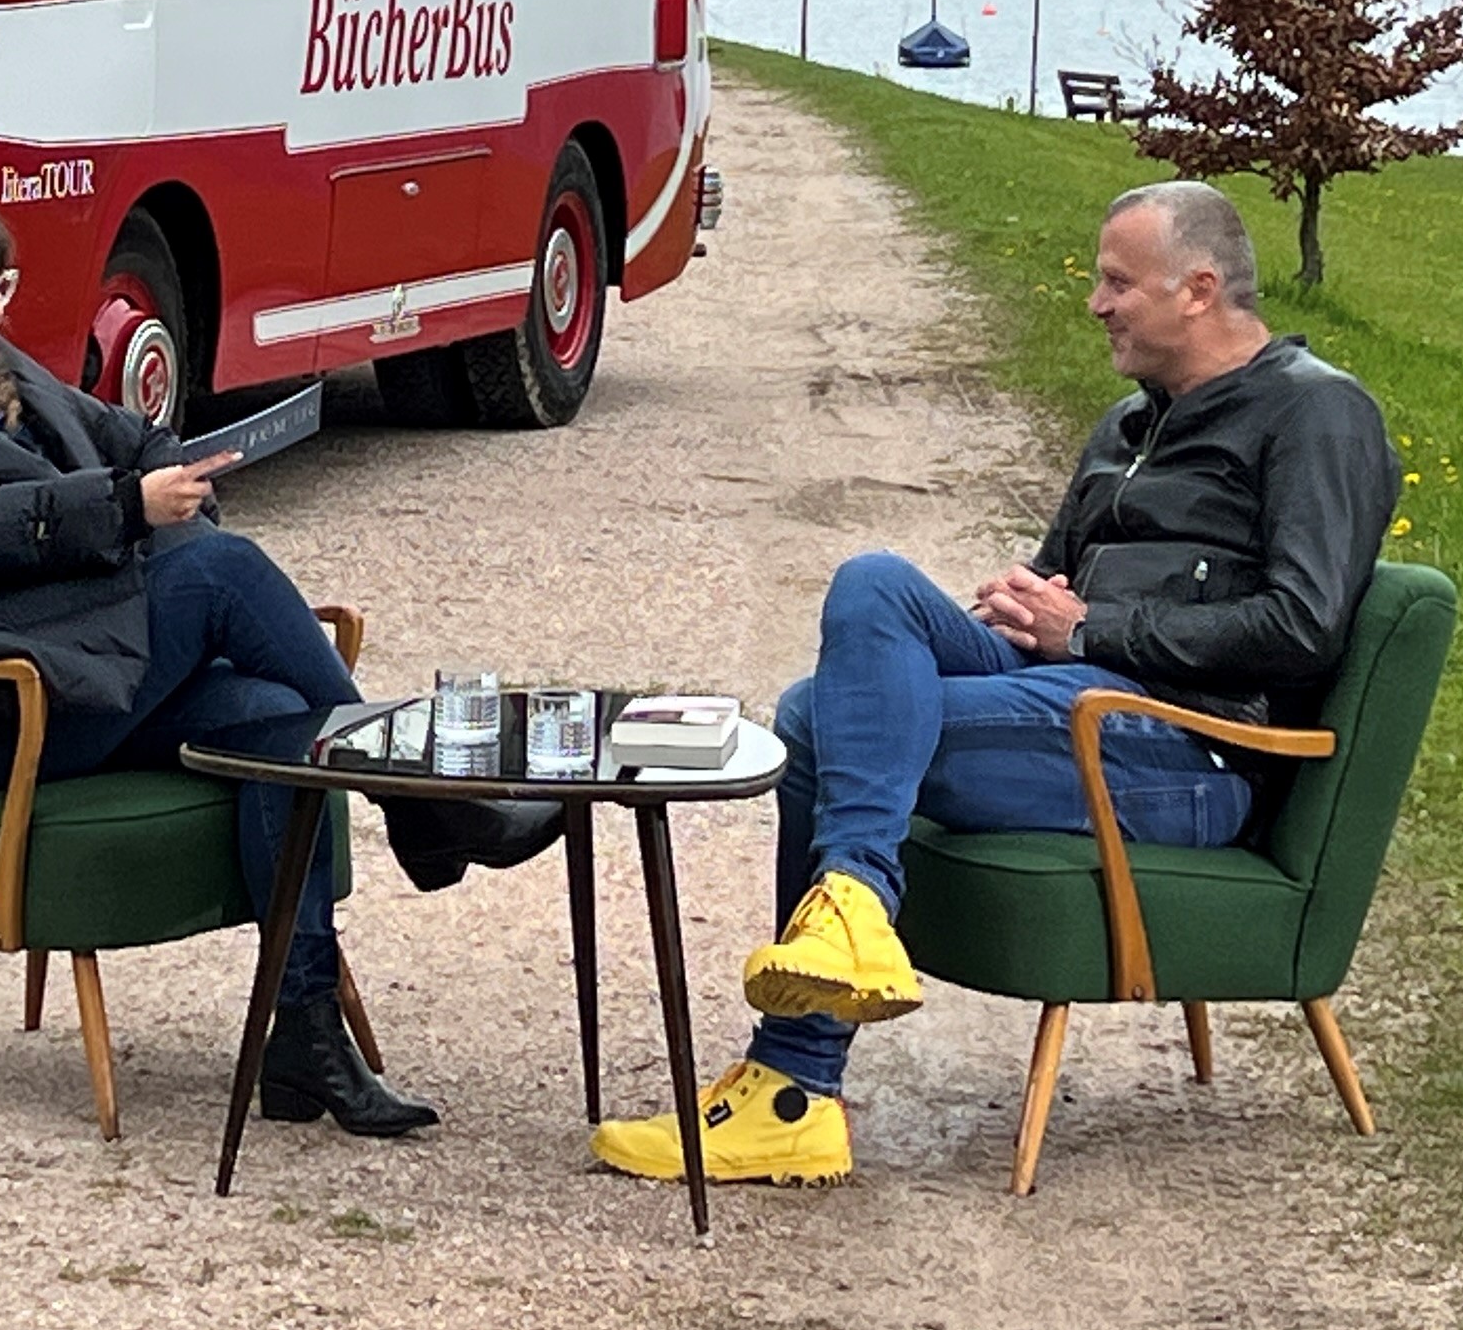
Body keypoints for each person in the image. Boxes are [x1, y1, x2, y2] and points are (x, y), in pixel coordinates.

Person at [590, 179, 1401, 1185]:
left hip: (1183, 748)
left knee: (814, 719)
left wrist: (1091, 628)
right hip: (1071, 692)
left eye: (1118, 283)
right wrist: (1028, 610)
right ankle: (849, 919)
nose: (1096, 303)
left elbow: (1304, 627)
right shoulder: (1128, 425)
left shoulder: (1318, 414)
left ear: (1198, 290)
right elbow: (1058, 586)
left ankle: (796, 1079)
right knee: (873, 584)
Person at [0, 185, 558, 1137]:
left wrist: (170, 477)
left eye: (0, 285)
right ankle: (419, 804)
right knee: (218, 573)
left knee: (278, 719)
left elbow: (135, 437)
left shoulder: (1, 374)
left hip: (83, 665)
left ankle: (304, 1034)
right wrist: (124, 508)